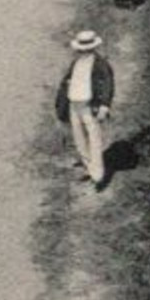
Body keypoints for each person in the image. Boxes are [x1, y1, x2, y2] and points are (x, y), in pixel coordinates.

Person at [54, 30, 115, 188]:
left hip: (90, 105)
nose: (84, 51)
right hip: (75, 104)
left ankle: (98, 174)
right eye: (82, 48)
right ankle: (88, 165)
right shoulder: (77, 62)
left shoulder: (101, 64)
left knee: (94, 137)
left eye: (87, 48)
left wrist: (104, 105)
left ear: (93, 48)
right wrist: (62, 101)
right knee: (79, 137)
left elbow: (108, 84)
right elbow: (67, 81)